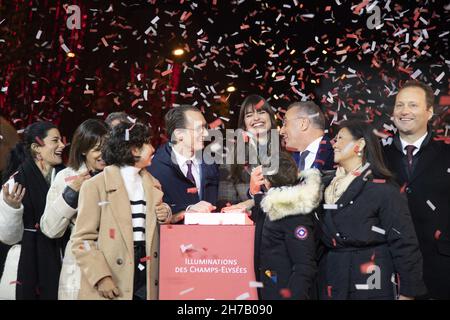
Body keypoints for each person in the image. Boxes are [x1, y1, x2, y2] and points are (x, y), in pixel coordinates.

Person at [315, 120, 426, 300]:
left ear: (359, 144)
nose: (334, 143)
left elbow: (404, 243)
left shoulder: (384, 190)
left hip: (371, 280)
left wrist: (408, 292)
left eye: (341, 138)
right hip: (332, 278)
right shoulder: (324, 187)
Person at [71, 122, 171, 300]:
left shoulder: (153, 184)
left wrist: (165, 214)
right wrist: (101, 277)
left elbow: (151, 226)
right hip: (111, 273)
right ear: (134, 150)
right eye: (147, 142)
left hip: (145, 269)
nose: (153, 147)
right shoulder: (95, 186)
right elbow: (82, 239)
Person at [383, 80, 450, 299]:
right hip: (388, 269)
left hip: (441, 270)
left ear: (430, 112)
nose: (404, 111)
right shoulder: (377, 158)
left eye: (412, 105)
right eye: (399, 105)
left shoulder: (446, 154)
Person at [40, 119, 108, 299]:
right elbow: (49, 229)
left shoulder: (117, 176)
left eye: (108, 148)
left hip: (113, 262)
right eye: (97, 149)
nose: (104, 155)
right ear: (84, 149)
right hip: (79, 266)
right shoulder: (66, 177)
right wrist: (71, 194)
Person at [0, 121, 66, 300]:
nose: (62, 145)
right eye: (55, 141)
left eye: (62, 140)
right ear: (37, 148)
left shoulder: (68, 178)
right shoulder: (14, 183)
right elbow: (8, 237)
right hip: (27, 262)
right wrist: (13, 209)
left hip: (62, 258)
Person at [253, 152, 320, 300]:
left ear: (267, 181)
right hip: (271, 289)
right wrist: (255, 194)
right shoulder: (275, 206)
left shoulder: (293, 213)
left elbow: (304, 266)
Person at [147, 105, 219, 223]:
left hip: (209, 236)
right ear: (179, 134)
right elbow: (152, 211)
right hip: (172, 238)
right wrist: (187, 210)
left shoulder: (211, 163)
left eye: (205, 127)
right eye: (199, 129)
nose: (206, 134)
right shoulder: (155, 168)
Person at [218, 95, 279, 212]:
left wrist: (253, 200)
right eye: (249, 115)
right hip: (247, 226)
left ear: (270, 117)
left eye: (261, 112)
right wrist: (251, 194)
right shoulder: (230, 159)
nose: (256, 118)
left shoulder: (288, 152)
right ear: (244, 124)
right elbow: (225, 205)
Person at [280, 101, 334, 171]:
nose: (281, 132)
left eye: (285, 124)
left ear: (303, 124)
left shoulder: (336, 155)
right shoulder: (290, 163)